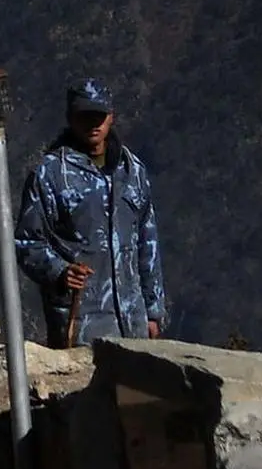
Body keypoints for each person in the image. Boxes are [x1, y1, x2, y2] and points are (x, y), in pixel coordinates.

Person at [14, 78, 168, 348]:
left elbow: (147, 243)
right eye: (85, 116)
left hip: (133, 323)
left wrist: (153, 311)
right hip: (80, 323)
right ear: (71, 118)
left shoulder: (132, 171)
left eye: (99, 115)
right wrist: (59, 271)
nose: (93, 124)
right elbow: (27, 241)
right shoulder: (51, 174)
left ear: (111, 117)